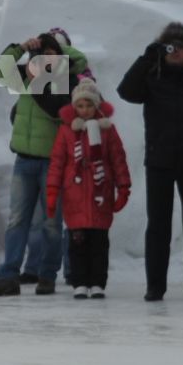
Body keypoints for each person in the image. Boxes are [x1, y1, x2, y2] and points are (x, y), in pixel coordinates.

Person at [115, 22, 183, 302]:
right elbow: (126, 92)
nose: (176, 52)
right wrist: (146, 58)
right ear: (162, 50)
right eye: (170, 47)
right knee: (158, 226)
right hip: (160, 162)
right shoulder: (152, 80)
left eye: (182, 48)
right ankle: (155, 286)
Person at [0, 31, 89, 296]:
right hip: (24, 160)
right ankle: (8, 276)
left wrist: (55, 57)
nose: (45, 57)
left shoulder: (67, 80)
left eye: (51, 53)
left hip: (53, 163)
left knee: (52, 224)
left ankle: (47, 275)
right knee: (17, 221)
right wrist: (20, 47)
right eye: (40, 53)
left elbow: (81, 61)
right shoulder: (25, 77)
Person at [45, 79, 129, 299]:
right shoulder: (66, 132)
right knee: (77, 242)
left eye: (89, 105)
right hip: (75, 194)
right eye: (80, 106)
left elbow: (118, 159)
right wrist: (52, 190)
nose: (85, 110)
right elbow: (57, 161)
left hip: (101, 192)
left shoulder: (108, 131)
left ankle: (98, 282)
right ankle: (80, 281)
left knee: (99, 242)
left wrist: (123, 187)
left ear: (97, 106)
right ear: (74, 107)